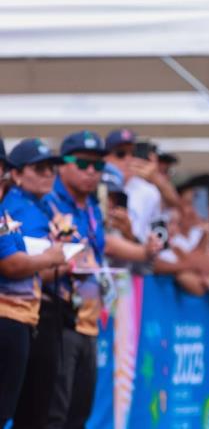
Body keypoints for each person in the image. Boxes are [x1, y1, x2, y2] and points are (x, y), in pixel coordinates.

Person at [42, 130, 109, 428]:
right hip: (59, 318)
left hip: (89, 320)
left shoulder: (92, 207)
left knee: (79, 414)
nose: (92, 172)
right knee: (54, 413)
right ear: (62, 164)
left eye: (98, 165)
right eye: (83, 164)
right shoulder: (48, 202)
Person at [0, 138, 67, 428]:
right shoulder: (16, 208)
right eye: (39, 168)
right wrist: (52, 256)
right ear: (15, 174)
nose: (48, 174)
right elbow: (12, 264)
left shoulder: (7, 214)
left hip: (22, 319)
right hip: (9, 317)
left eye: (51, 168)